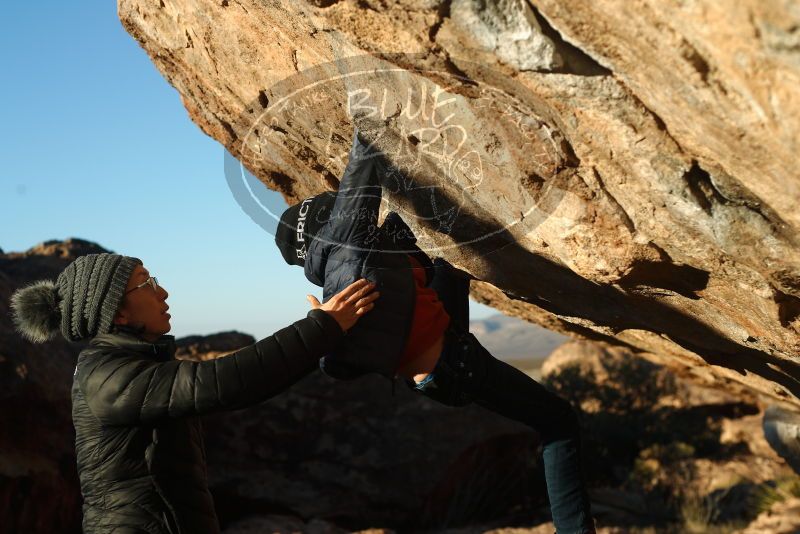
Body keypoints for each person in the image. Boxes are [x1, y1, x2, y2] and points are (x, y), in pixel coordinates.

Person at [275, 128, 596, 534]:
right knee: (558, 422)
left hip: (437, 376)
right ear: (327, 219)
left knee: (441, 254)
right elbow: (364, 158)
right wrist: (373, 108)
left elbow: (340, 361)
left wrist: (325, 328)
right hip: (458, 364)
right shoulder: (350, 238)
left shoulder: (336, 282)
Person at [10, 253, 379, 534]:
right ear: (117, 314)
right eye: (146, 283)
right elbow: (222, 383)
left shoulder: (124, 366)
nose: (162, 290)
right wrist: (321, 329)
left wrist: (324, 336)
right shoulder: (107, 376)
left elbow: (244, 385)